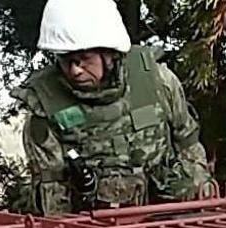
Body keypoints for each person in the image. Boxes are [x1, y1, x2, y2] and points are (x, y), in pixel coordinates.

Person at [12, 0, 215, 215]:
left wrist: (200, 203)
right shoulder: (45, 103)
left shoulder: (156, 79)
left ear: (109, 54)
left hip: (172, 218)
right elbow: (52, 189)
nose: (75, 70)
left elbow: (188, 145)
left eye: (83, 59)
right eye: (66, 60)